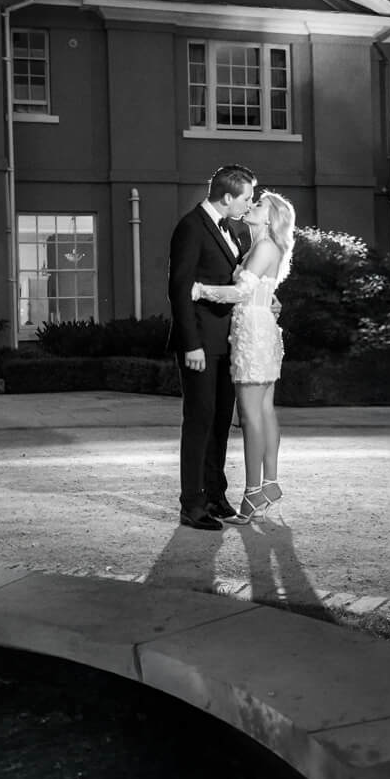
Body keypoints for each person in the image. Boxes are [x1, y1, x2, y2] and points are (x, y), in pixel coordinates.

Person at [193, 190, 294, 519]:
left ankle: (252, 494)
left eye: (259, 204)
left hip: (252, 330)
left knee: (251, 415)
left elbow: (241, 292)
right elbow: (263, 291)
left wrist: (198, 290)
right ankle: (270, 483)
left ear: (270, 217)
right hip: (261, 326)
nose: (251, 205)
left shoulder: (264, 247)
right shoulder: (262, 246)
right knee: (264, 411)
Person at [168, 164, 256, 530]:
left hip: (226, 341)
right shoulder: (190, 227)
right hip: (200, 343)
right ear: (227, 196)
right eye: (246, 198)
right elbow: (179, 287)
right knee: (199, 421)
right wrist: (191, 344)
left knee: (221, 422)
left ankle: (216, 496)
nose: (250, 205)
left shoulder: (236, 229)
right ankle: (192, 503)